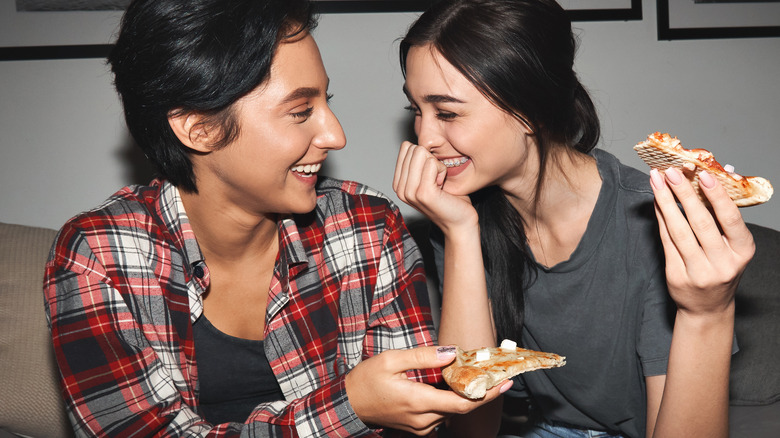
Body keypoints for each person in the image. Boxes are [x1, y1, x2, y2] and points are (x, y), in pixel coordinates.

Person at [42, 0, 506, 436]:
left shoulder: (366, 227)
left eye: (327, 101)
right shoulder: (98, 256)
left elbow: (440, 417)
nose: (335, 134)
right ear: (198, 127)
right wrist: (348, 407)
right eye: (301, 111)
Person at [392, 0, 754, 437]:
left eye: (447, 112)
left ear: (530, 110)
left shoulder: (650, 226)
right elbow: (473, 429)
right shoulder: (461, 216)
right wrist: (460, 233)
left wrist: (707, 313)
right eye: (417, 111)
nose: (424, 138)